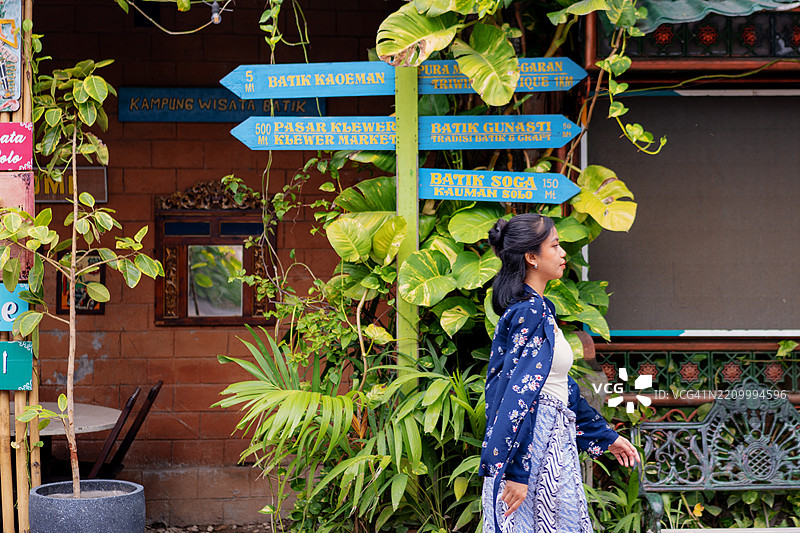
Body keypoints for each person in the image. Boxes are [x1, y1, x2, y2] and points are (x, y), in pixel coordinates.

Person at [479, 213, 638, 533]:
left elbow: (560, 388)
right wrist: (517, 471)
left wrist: (605, 436)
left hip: (547, 445)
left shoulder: (535, 308)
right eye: (555, 245)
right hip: (536, 450)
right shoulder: (529, 311)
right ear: (532, 257)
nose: (563, 252)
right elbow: (519, 394)